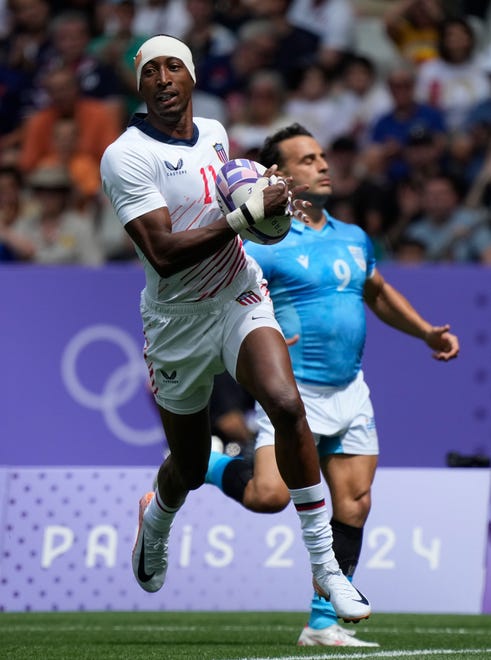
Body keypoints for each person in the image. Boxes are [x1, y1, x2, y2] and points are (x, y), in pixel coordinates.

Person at [99, 34, 371, 623]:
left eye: (175, 67)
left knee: (285, 403)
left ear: (193, 77)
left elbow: (242, 211)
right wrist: (246, 216)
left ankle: (326, 569)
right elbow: (164, 252)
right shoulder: (125, 156)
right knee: (191, 467)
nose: (164, 79)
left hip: (237, 295)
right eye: (152, 72)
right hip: (175, 321)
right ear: (140, 86)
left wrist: (267, 207)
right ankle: (157, 519)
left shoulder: (219, 135)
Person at [204, 123, 460, 647]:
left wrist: (425, 332)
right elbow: (218, 302)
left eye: (323, 156)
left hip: (350, 391)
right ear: (277, 175)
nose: (323, 165)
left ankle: (321, 623)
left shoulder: (353, 236)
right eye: (307, 159)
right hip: (293, 392)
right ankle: (202, 463)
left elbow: (379, 293)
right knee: (270, 496)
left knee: (355, 502)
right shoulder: (260, 241)